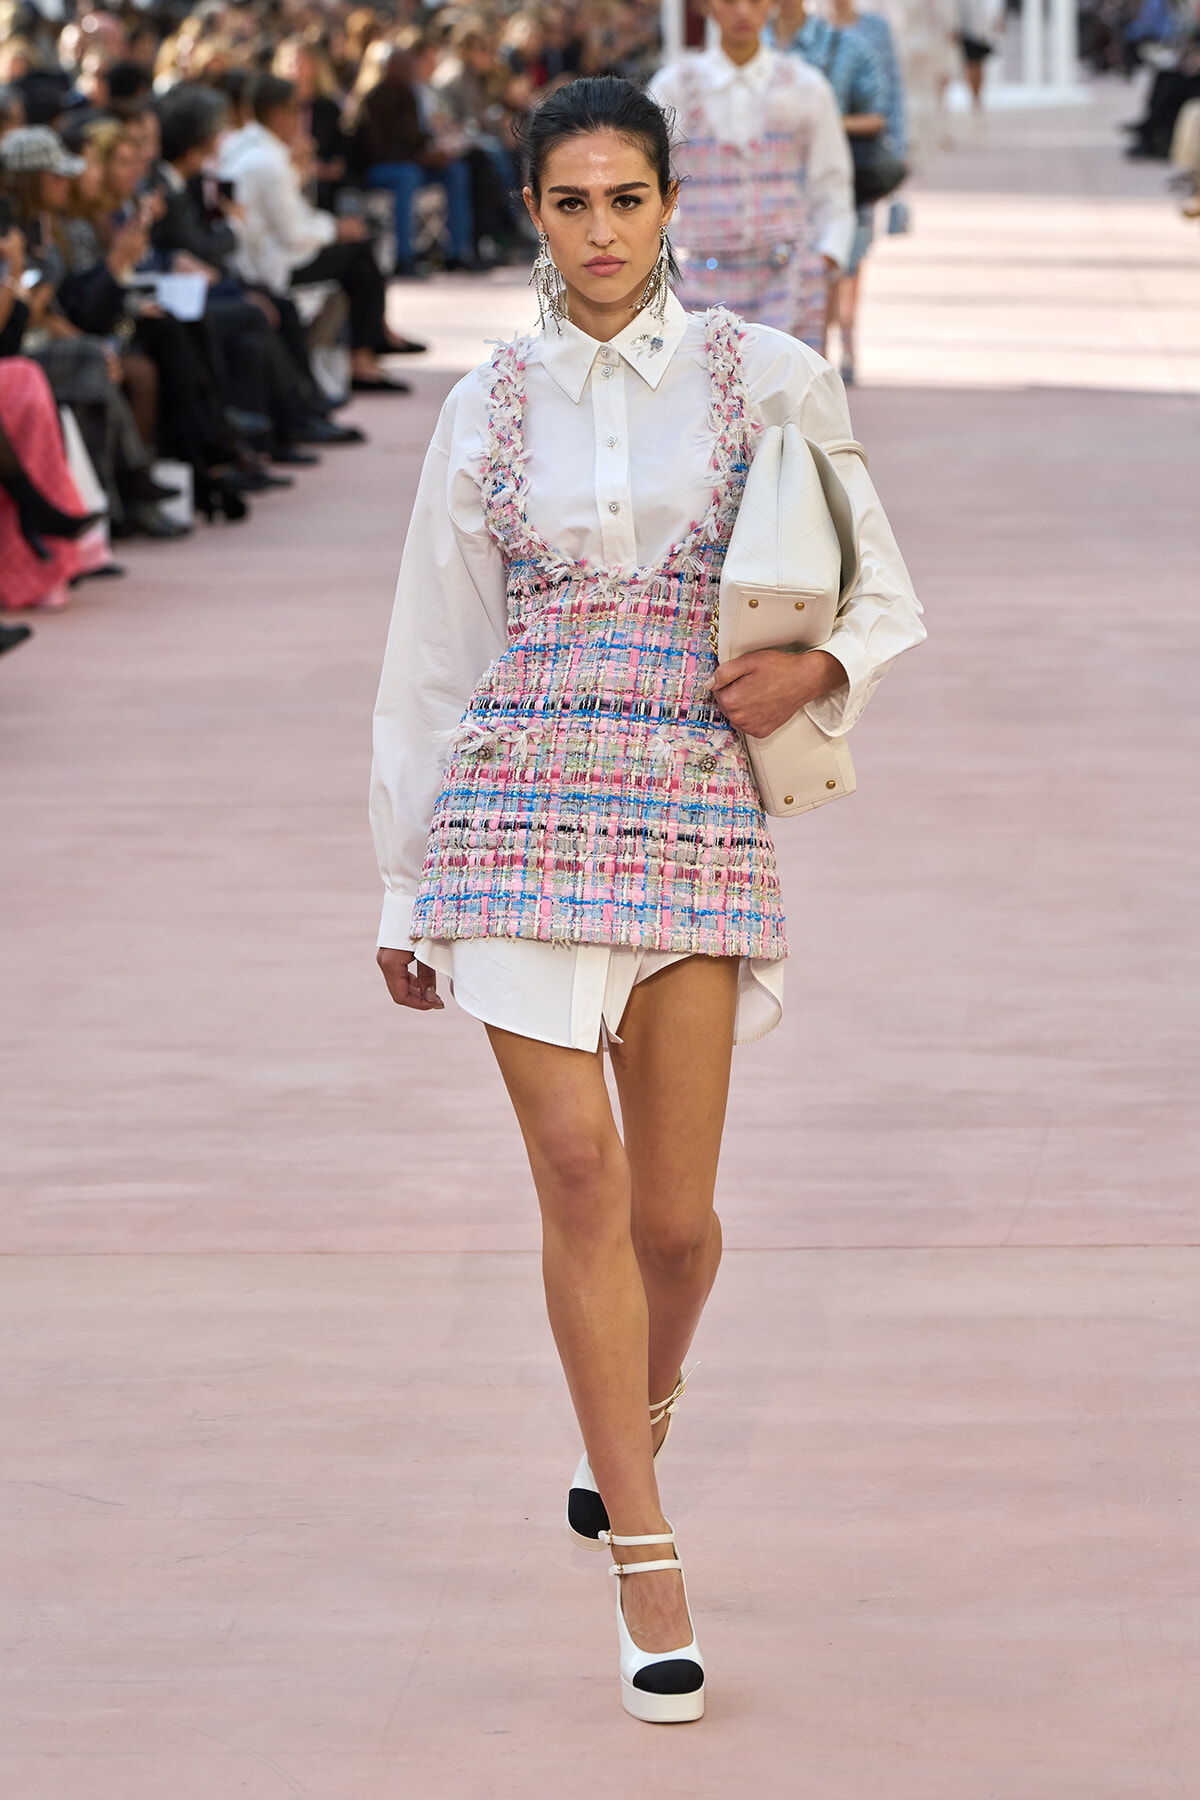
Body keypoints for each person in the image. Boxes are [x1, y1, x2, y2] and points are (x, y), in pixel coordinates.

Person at [370, 75, 924, 1723]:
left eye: (626, 200)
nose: (600, 231)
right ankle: (650, 1557)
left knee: (675, 1225)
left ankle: (634, 1418)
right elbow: (429, 659)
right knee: (578, 1176)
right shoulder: (487, 407)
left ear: (670, 204)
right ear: (530, 213)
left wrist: (817, 662)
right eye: (568, 203)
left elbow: (882, 589)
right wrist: (405, 882)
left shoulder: (776, 380)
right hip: (518, 815)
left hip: (688, 816)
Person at [650, 0, 853, 351]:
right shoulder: (674, 88)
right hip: (695, 279)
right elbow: (645, 177)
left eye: (755, 0)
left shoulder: (804, 87)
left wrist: (828, 255)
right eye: (729, 1)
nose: (742, 12)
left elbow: (831, 179)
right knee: (698, 393)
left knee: (787, 394)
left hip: (787, 281)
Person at [221, 74, 410, 393]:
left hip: (258, 254)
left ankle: (368, 347)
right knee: (360, 257)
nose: (301, 120)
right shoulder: (268, 160)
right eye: (297, 110)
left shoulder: (240, 144)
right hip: (269, 264)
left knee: (355, 250)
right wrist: (337, 229)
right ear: (280, 114)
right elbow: (294, 232)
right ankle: (362, 363)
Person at [788, 0, 890, 381]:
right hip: (783, 199)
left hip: (844, 178)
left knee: (845, 261)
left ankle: (843, 342)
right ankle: (825, 355)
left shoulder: (855, 44)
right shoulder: (756, 48)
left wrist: (827, 121)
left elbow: (883, 110)